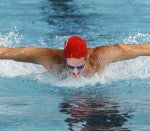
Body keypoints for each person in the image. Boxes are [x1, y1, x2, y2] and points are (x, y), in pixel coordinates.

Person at [0, 35, 150, 77]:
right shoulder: (48, 58)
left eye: (79, 67)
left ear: (86, 58)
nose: (75, 72)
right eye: (70, 66)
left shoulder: (102, 56)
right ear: (64, 59)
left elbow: (141, 48)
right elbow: (8, 52)